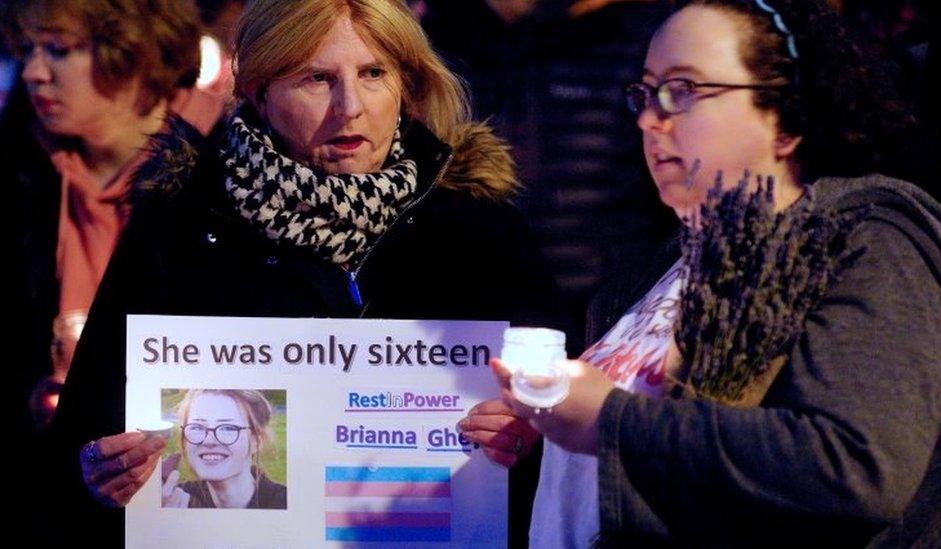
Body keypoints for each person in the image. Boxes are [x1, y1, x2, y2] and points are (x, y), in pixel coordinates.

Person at [45, 0, 558, 544]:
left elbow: (567, 430)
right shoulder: (179, 227)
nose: (350, 107)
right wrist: (101, 475)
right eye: (316, 78)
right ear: (260, 92)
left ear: (405, 84)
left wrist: (530, 434)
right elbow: (80, 441)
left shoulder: (481, 230)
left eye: (373, 74)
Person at [463, 0, 941, 546]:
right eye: (644, 93)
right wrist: (548, 442)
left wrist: (610, 422)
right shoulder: (653, 274)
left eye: (683, 91)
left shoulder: (868, 244)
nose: (649, 119)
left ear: (787, 119)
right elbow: (669, 466)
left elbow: (856, 466)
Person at [2, 0, 202, 432]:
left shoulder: (215, 178)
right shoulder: (22, 170)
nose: (34, 72)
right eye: (28, 50)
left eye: (58, 49)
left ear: (132, 50)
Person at [162, 389, 286, 509]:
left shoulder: (286, 505)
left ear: (256, 441)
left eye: (227, 428)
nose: (208, 441)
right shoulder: (170, 500)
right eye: (197, 427)